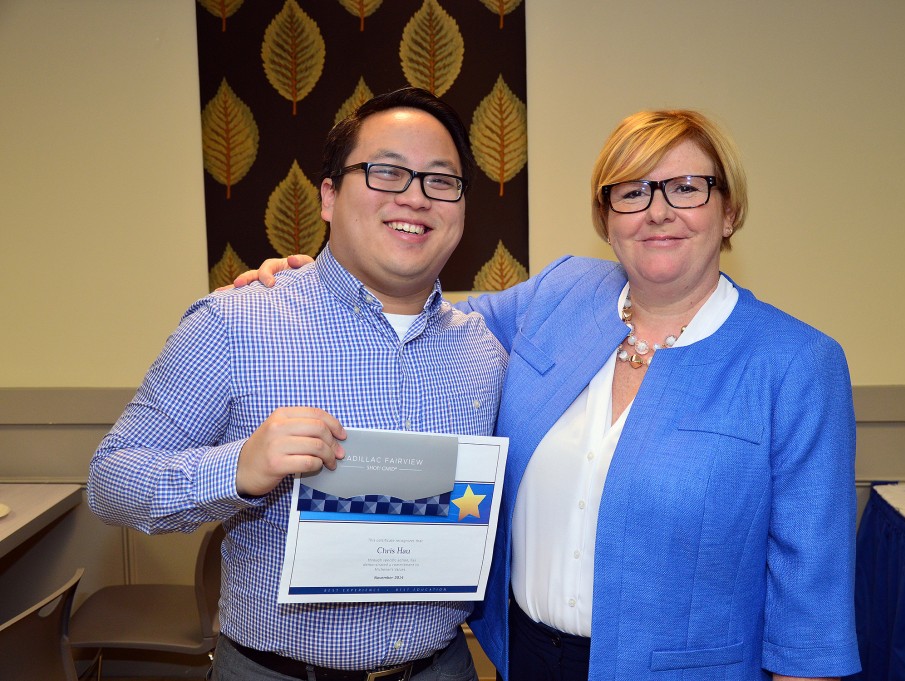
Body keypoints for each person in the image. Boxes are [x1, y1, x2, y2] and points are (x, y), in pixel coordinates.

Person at [235, 109, 861, 680]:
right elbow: (426, 320)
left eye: (687, 188)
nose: (659, 210)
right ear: (607, 217)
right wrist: (311, 282)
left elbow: (812, 597)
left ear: (728, 212)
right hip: (523, 660)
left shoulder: (796, 363)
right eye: (633, 191)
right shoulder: (561, 294)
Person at [89, 87, 508, 681]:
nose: (415, 197)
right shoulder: (235, 322)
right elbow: (111, 481)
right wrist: (238, 469)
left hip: (441, 668)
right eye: (386, 172)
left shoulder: (482, 352)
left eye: (441, 180)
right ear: (329, 196)